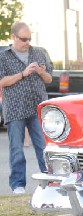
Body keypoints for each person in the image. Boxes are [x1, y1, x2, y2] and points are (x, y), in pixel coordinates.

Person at [0, 22, 53, 194]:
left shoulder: (39, 52)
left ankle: (50, 182)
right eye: (23, 39)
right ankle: (18, 185)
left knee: (44, 148)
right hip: (15, 109)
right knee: (16, 149)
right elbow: (2, 81)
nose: (27, 42)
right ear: (13, 37)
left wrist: (40, 72)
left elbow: (49, 79)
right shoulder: (3, 57)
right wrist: (23, 73)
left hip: (37, 107)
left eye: (29, 38)